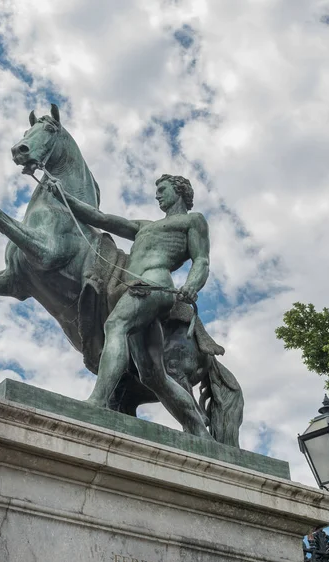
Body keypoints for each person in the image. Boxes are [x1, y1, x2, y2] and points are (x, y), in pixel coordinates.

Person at [49, 173, 212, 438]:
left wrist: (193, 285)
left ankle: (97, 402)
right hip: (137, 290)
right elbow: (100, 219)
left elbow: (202, 261)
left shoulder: (193, 221)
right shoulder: (144, 226)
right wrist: (63, 195)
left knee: (115, 325)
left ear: (179, 191)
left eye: (163, 189)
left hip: (153, 285)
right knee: (152, 375)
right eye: (157, 190)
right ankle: (200, 431)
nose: (157, 194)